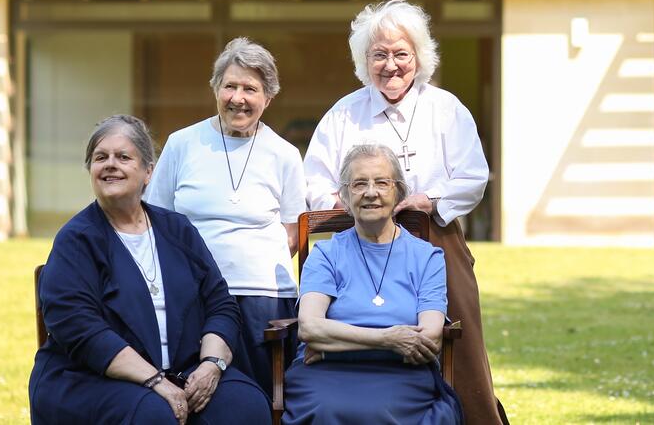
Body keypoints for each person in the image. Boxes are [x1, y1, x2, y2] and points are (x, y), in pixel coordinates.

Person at [302, 0, 503, 424]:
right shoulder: (344, 112)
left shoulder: (446, 108)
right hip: (359, 244)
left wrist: (430, 200)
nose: (390, 65)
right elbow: (314, 179)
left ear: (419, 57)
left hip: (434, 236)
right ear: (364, 60)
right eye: (379, 55)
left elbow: (473, 176)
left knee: (458, 345)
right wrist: (344, 204)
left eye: (401, 54)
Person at [30, 115, 270, 424]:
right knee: (153, 415)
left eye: (123, 157)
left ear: (148, 172)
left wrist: (210, 365)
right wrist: (156, 382)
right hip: (92, 378)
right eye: (100, 157)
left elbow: (220, 304)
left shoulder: (177, 229)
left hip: (185, 369)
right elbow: (80, 329)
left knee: (245, 406)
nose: (110, 164)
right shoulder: (76, 240)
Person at [144, 38, 306, 397]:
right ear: (216, 88)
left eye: (250, 88)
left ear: (268, 97)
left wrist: (245, 266)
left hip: (263, 298)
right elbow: (156, 220)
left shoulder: (284, 154)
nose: (238, 97)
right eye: (230, 85)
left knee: (261, 395)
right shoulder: (182, 144)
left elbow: (294, 231)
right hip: (191, 294)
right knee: (195, 392)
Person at [284, 144, 461, 424]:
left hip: (399, 375)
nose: (370, 192)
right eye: (359, 183)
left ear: (399, 192)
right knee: (326, 408)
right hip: (328, 376)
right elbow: (309, 327)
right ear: (345, 194)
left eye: (381, 182)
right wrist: (389, 339)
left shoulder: (427, 257)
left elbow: (429, 338)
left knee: (382, 411)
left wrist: (331, 344)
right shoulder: (326, 254)